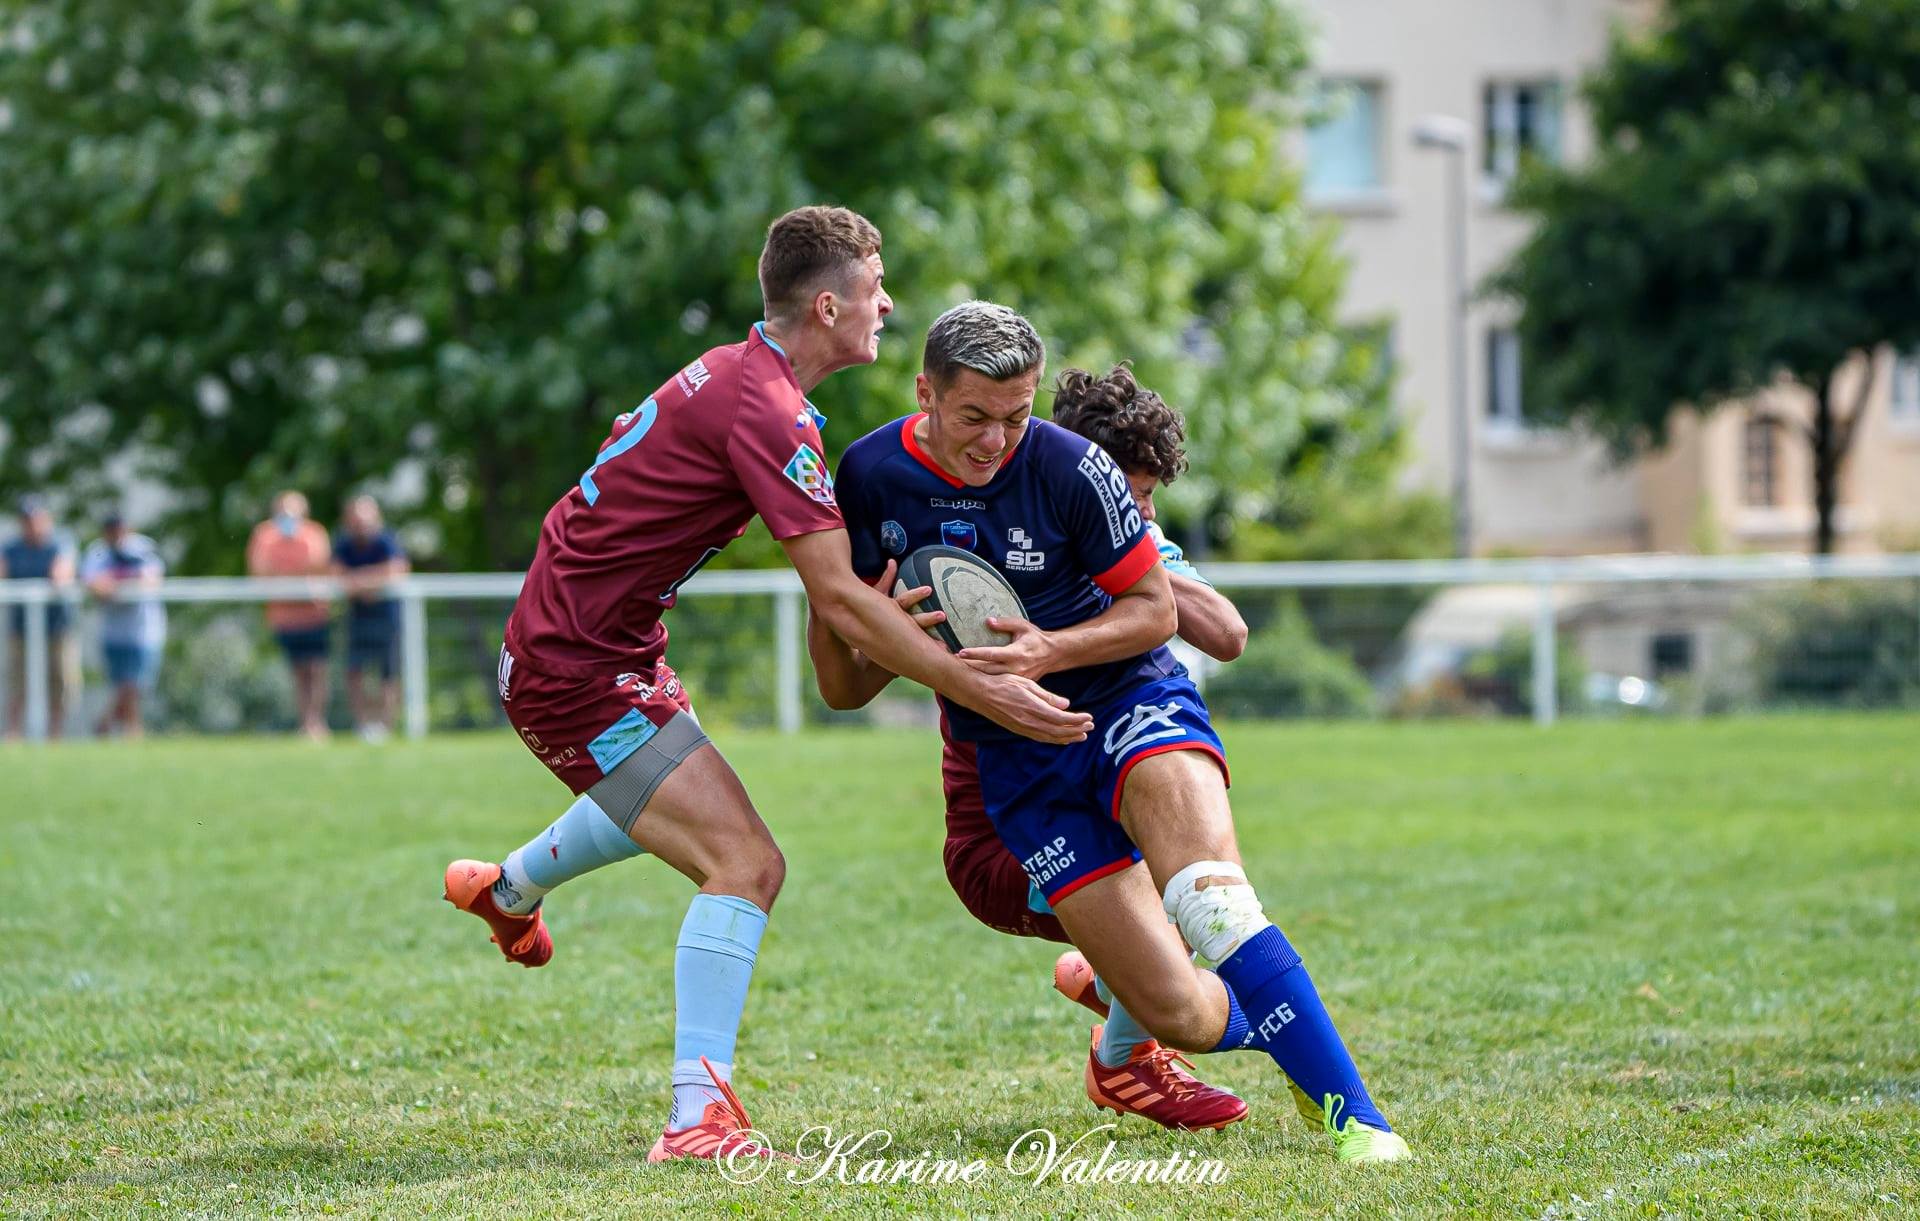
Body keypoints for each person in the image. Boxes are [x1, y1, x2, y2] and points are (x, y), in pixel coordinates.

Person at [439, 206, 1092, 1165]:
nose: (889, 303)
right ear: (829, 303)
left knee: (658, 796)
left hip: (596, 648)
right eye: (876, 288)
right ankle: (695, 1120)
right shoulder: (769, 408)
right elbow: (835, 592)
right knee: (746, 863)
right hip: (577, 670)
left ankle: (509, 889)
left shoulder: (746, 377)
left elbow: (840, 604)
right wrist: (981, 687)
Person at [827, 303, 1410, 1163]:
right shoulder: (871, 474)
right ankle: (1282, 1032)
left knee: (1213, 899)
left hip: (1132, 701)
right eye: (974, 417)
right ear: (926, 392)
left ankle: (1359, 1120)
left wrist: (1048, 648)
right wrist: (870, 622)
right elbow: (842, 683)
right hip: (1021, 763)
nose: (996, 441)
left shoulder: (1076, 469)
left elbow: (1162, 612)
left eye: (1018, 415)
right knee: (1179, 1010)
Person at [814, 363, 1289, 1132]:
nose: (1139, 513)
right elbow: (845, 683)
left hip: (1095, 804)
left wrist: (1142, 546)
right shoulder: (990, 545)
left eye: (1145, 502)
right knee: (1177, 926)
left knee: (1201, 883)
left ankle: (1123, 1027)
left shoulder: (1121, 538)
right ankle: (1131, 1035)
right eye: (1127, 497)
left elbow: (1227, 633)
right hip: (1004, 843)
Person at [246, 491, 334, 741]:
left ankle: (316, 722)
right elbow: (260, 571)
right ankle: (303, 722)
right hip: (283, 616)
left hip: (314, 614)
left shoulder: (313, 533)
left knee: (316, 669)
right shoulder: (265, 535)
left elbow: (319, 564)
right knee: (297, 671)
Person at [80, 512, 166, 739]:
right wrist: (118, 585)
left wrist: (115, 584)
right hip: (113, 631)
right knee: (124, 685)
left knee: (133, 685)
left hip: (143, 631)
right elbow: (94, 584)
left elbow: (151, 582)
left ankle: (109, 723)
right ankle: (131, 731)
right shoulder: (97, 551)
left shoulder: (143, 549)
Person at [332, 495, 410, 742]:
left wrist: (360, 581)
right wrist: (372, 582)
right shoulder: (344, 544)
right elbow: (337, 575)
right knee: (355, 671)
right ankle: (362, 725)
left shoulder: (387, 540)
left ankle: (385, 726)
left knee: (388, 673)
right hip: (357, 618)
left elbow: (397, 571)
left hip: (387, 618)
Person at [3, 496, 81, 738]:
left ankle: (54, 735)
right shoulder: (11, 548)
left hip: (58, 628)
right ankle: (13, 734)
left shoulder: (60, 543)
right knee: (18, 682)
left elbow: (62, 575)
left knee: (60, 682)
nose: (31, 524)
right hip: (22, 629)